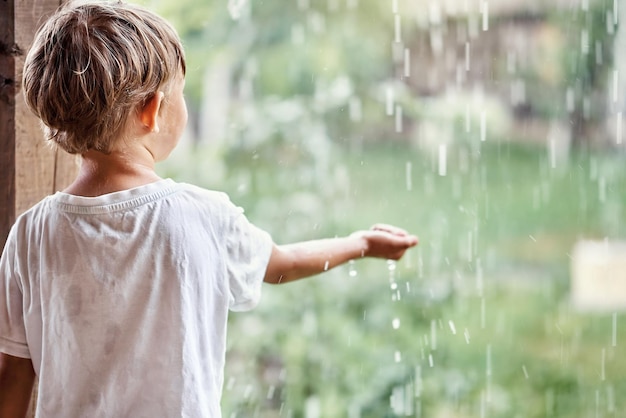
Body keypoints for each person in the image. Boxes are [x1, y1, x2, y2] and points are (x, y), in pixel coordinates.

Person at [0, 1, 418, 417]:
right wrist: (358, 244)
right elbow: (283, 264)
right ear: (152, 111)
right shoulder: (203, 216)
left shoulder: (30, 235)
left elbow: (14, 377)